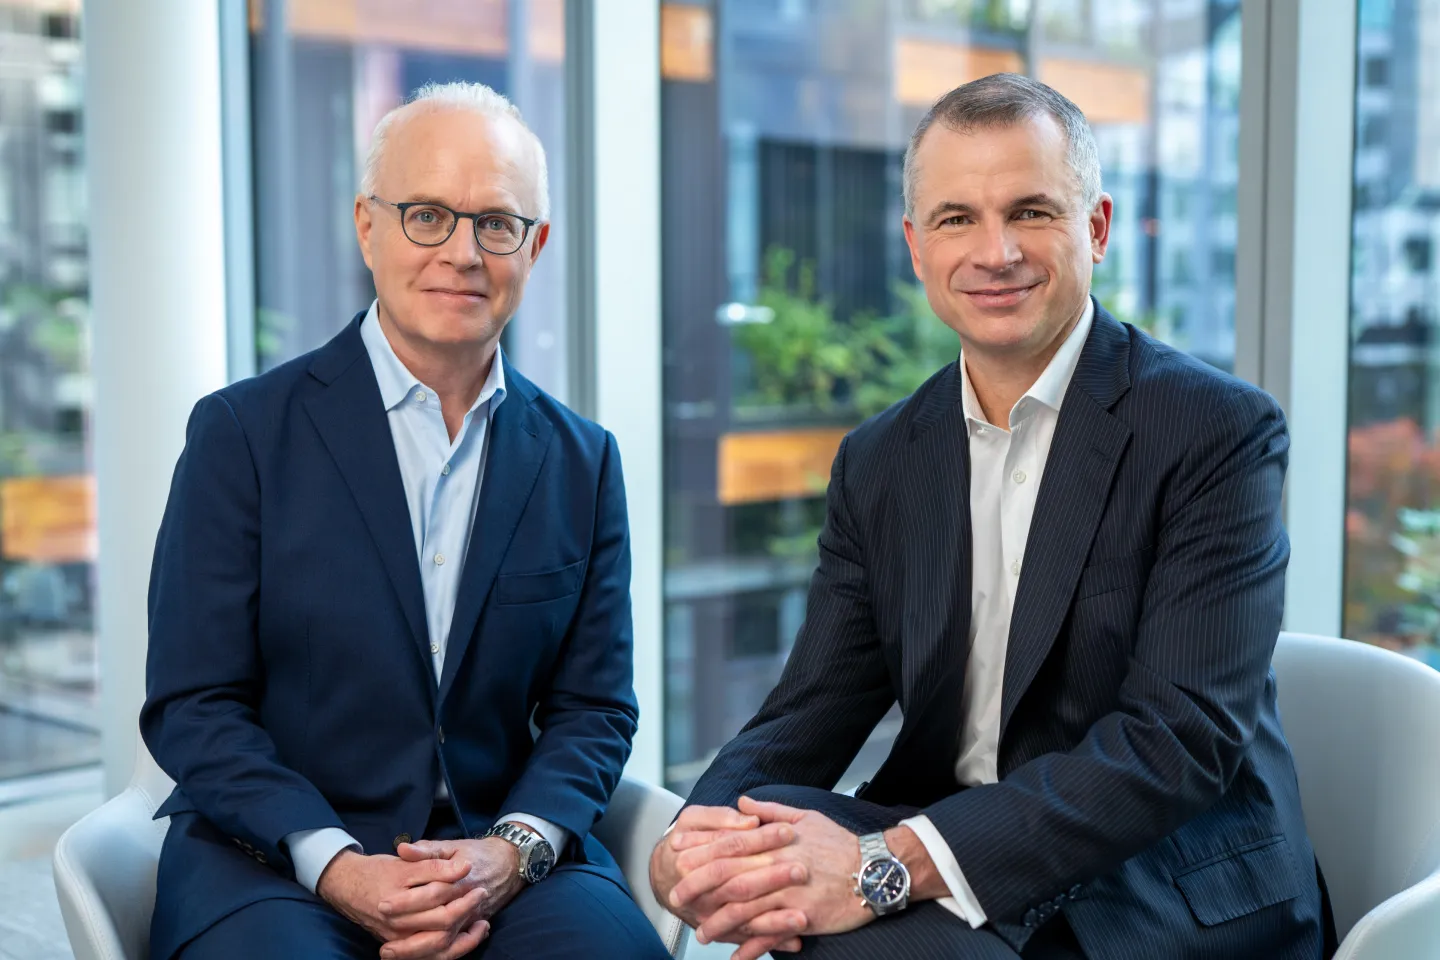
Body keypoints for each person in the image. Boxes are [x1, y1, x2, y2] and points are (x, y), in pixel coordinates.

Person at [650, 73, 1333, 960]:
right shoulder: (882, 460)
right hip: (949, 839)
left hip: (1156, 879)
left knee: (815, 936)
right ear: (915, 246)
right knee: (759, 847)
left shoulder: (1215, 432)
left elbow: (1177, 743)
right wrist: (690, 844)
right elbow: (809, 712)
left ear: (1096, 227)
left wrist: (883, 866)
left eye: (1032, 211)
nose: (995, 251)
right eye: (955, 218)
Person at [142, 82, 670, 960]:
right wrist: (339, 865)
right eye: (427, 214)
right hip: (275, 860)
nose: (462, 252)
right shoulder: (241, 434)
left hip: (498, 858)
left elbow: (594, 709)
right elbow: (194, 704)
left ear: (534, 247)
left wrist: (515, 851)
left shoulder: (584, 460)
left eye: (496, 224)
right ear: (368, 227)